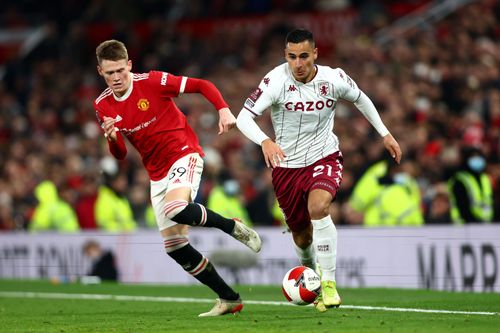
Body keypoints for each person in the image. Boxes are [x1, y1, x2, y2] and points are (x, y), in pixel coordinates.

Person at [236, 29, 401, 312]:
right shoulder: (275, 81)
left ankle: (329, 285)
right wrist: (265, 140)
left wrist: (385, 133)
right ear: (285, 56)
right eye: (291, 57)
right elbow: (243, 117)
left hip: (324, 156)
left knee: (319, 206)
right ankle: (309, 272)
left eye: (303, 56)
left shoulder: (334, 78)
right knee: (302, 236)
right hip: (286, 167)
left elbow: (360, 98)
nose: (297, 63)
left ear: (315, 54)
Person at [93, 39, 261, 317]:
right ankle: (229, 298)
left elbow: (202, 85)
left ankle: (231, 226)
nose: (116, 78)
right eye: (109, 73)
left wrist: (223, 108)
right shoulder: (102, 104)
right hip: (157, 173)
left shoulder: (154, 81)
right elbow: (121, 154)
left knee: (176, 208)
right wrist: (112, 138)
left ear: (129, 65)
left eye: (120, 70)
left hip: (184, 153)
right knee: (175, 247)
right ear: (100, 72)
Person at [448, 146, 493, 224]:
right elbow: (462, 205)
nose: (477, 160)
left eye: (479, 157)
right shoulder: (460, 180)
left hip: (486, 224)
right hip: (465, 226)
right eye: (473, 157)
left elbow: (489, 202)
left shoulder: (485, 178)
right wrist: (474, 222)